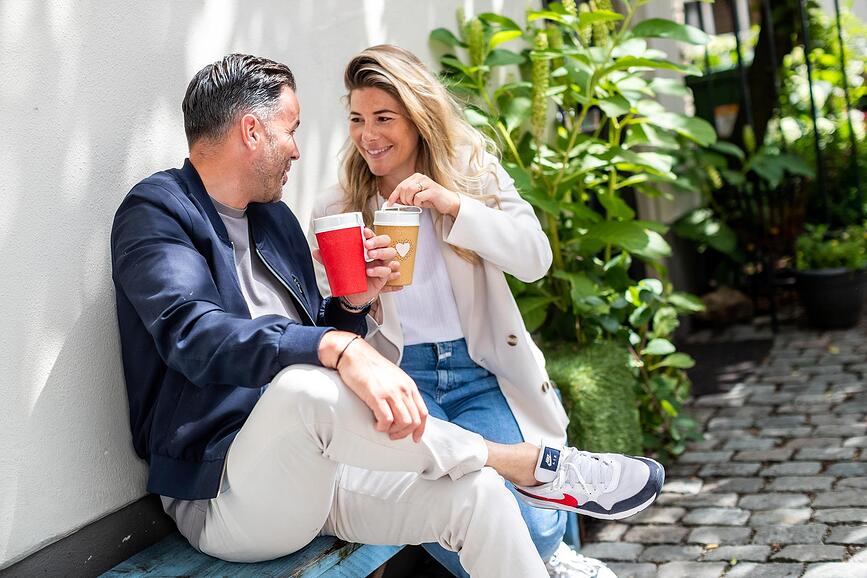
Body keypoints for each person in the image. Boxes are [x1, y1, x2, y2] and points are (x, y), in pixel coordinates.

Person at [111, 53, 661, 578]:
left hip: (320, 472)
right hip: (224, 491)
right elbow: (194, 334)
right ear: (253, 131)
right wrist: (339, 347)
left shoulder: (273, 220)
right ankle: (527, 463)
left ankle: (517, 473)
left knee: (478, 496)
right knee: (307, 386)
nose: (298, 151)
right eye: (291, 130)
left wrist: (354, 305)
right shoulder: (157, 210)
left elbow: (316, 334)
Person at [310, 45, 663, 577]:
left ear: (419, 116)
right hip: (402, 380)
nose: (368, 135)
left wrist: (453, 205)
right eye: (357, 119)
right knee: (461, 518)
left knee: (533, 526)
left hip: (480, 370)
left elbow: (535, 259)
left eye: (384, 118)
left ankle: (551, 555)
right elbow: (330, 315)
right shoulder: (338, 208)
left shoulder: (472, 174)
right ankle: (554, 550)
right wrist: (364, 296)